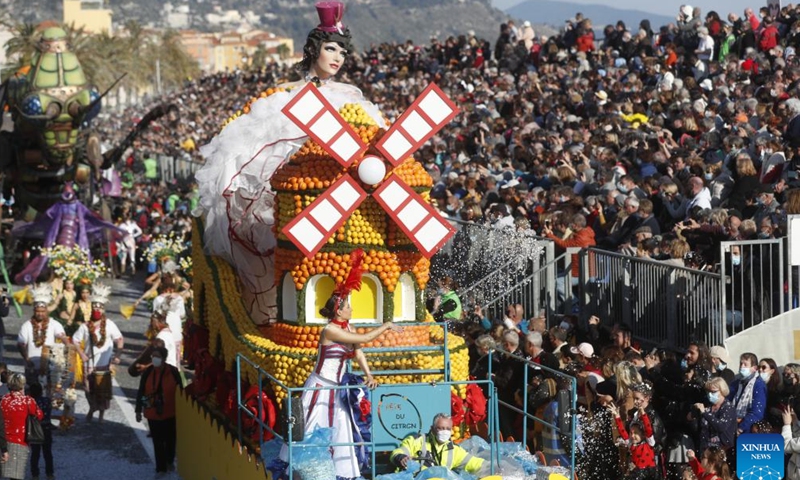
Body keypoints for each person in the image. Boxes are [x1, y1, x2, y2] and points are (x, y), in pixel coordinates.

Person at [194, 0, 384, 325]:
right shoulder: (282, 97)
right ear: (313, 49)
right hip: (292, 196)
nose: (338, 58)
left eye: (342, 52)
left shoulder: (351, 98)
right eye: (331, 49)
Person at [280, 277, 404, 479]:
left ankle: (339, 472)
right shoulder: (329, 330)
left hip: (338, 389)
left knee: (341, 429)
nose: (351, 309)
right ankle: (305, 471)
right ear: (338, 311)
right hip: (320, 387)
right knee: (313, 428)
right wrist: (387, 325)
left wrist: (369, 375)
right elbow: (365, 338)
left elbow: (359, 352)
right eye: (348, 307)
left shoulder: (349, 328)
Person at [72, 284, 124, 422]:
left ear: (103, 309)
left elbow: (119, 339)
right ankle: (92, 407)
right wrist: (81, 354)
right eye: (94, 306)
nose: (97, 309)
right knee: (87, 388)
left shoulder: (110, 324)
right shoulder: (85, 326)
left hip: (103, 363)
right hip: (88, 363)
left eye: (99, 307)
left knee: (102, 390)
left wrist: (117, 356)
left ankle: (100, 414)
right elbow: (75, 340)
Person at [135, 347, 182, 474]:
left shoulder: (173, 371)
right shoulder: (148, 372)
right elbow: (141, 391)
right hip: (152, 412)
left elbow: (181, 391)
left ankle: (169, 461)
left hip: (170, 411)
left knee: (170, 438)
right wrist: (138, 410)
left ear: (164, 358)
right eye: (153, 356)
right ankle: (161, 468)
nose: (154, 359)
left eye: (157, 356)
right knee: (157, 441)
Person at [390, 413, 485, 474]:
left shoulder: (454, 449)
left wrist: (490, 467)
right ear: (432, 429)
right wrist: (401, 457)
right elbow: (398, 452)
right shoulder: (416, 440)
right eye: (441, 428)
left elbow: (473, 463)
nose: (445, 432)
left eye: (448, 429)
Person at [17, 285, 65, 385]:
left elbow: (62, 336)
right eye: (38, 311)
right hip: (31, 365)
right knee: (32, 390)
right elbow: (21, 344)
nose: (40, 314)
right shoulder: (26, 326)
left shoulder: (54, 324)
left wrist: (66, 345)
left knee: (48, 391)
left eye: (42, 311)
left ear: (46, 311)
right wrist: (27, 359)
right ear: (34, 311)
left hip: (49, 365)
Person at [1, 373, 43, 480]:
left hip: (3, 440)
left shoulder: (3, 400)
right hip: (19, 441)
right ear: (22, 385)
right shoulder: (27, 401)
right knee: (16, 476)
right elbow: (39, 415)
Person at [28, 382, 54, 480]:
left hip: (35, 430)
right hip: (46, 429)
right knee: (47, 453)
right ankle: (50, 474)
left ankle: (35, 475)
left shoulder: (30, 403)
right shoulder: (47, 401)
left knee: (35, 454)